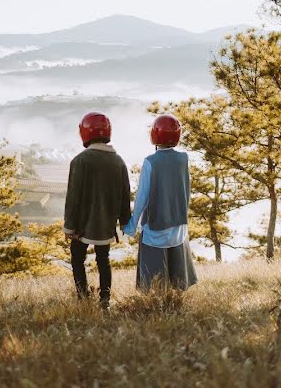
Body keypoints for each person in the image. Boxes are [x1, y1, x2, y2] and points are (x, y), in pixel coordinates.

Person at [63, 112, 132, 308]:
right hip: (106, 225)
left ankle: (83, 298)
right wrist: (124, 221)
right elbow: (125, 195)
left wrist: (69, 226)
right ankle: (105, 301)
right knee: (104, 260)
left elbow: (73, 197)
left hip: (82, 226)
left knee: (77, 259)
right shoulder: (118, 161)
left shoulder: (80, 161)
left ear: (85, 133)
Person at [123, 113, 197, 290]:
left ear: (154, 136)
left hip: (156, 226)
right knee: (177, 280)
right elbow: (186, 190)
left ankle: (156, 301)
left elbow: (142, 197)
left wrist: (132, 226)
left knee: (154, 282)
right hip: (178, 225)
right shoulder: (183, 159)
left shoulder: (150, 162)